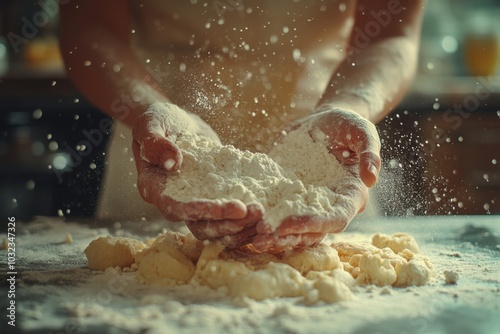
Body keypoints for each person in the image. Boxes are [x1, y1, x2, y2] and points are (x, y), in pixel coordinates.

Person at [59, 0, 424, 252]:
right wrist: (145, 107)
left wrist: (349, 106)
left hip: (324, 150)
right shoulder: (160, 139)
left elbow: (389, 32)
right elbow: (89, 24)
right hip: (163, 145)